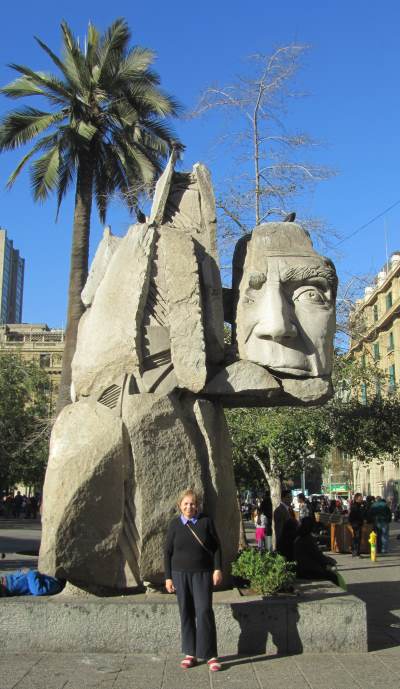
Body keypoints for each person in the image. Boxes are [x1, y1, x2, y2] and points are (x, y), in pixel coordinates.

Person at [164, 489, 222, 672]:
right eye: (186, 503)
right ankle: (190, 652)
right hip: (180, 575)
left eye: (193, 503)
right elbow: (167, 552)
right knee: (186, 612)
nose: (189, 507)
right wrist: (168, 577)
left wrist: (217, 569)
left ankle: (210, 654)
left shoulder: (206, 522)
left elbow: (217, 547)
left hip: (203, 574)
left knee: (204, 611)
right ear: (180, 506)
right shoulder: (174, 525)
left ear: (197, 506)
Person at [293, 517, 338, 585]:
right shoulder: (307, 539)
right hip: (309, 570)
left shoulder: (299, 537)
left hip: (301, 569)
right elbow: (317, 555)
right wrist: (329, 561)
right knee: (333, 576)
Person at [0, 569, 65, 597]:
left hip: (9, 586)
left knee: (38, 590)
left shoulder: (56, 586)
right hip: (9, 585)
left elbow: (30, 573)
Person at [349, 493, 365, 557]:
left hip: (356, 523)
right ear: (356, 499)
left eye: (361, 498)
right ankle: (356, 552)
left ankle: (354, 551)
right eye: (360, 498)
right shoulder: (355, 506)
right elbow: (356, 515)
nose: (361, 499)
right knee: (357, 538)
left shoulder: (358, 505)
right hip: (356, 524)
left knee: (356, 537)